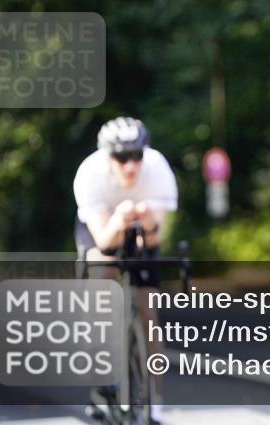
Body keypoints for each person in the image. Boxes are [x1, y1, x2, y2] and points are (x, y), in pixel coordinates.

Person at [74, 116, 177, 425]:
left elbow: (156, 239)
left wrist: (146, 222)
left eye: (136, 155)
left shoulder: (157, 169)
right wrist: (119, 220)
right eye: (121, 157)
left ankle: (154, 401)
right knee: (101, 274)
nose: (130, 165)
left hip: (142, 230)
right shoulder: (89, 175)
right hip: (101, 227)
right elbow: (104, 241)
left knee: (148, 313)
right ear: (108, 158)